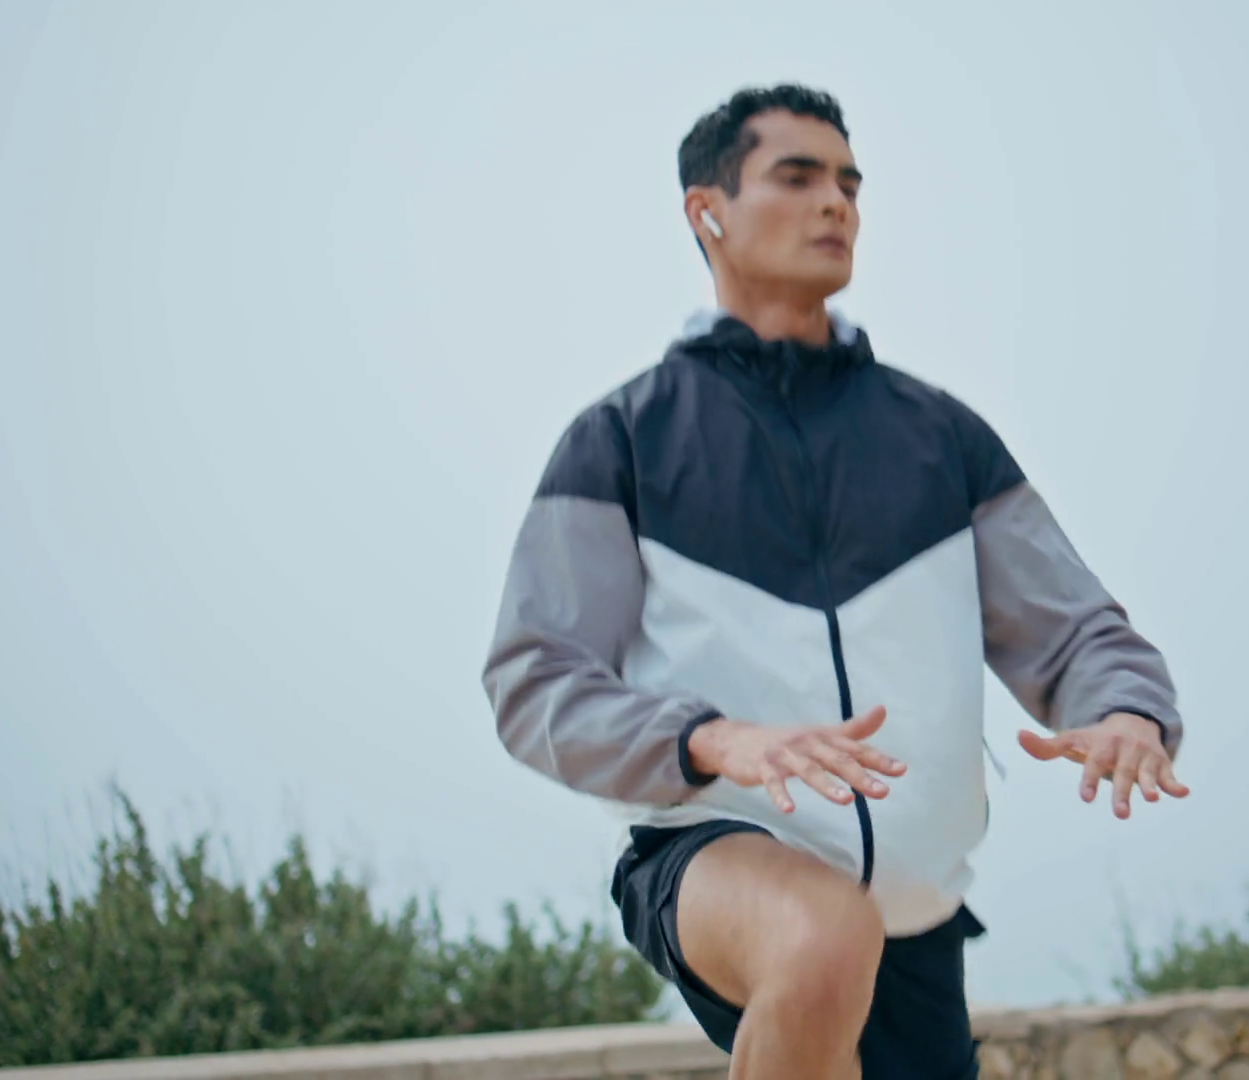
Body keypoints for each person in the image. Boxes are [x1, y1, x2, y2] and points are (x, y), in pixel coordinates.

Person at [483, 83, 1187, 1080]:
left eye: (850, 184)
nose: (836, 203)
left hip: (918, 911)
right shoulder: (622, 442)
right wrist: (712, 739)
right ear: (707, 211)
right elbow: (536, 682)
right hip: (709, 853)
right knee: (821, 937)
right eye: (798, 176)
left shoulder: (942, 440)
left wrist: (1125, 712)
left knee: (853, 946)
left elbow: (1076, 631)